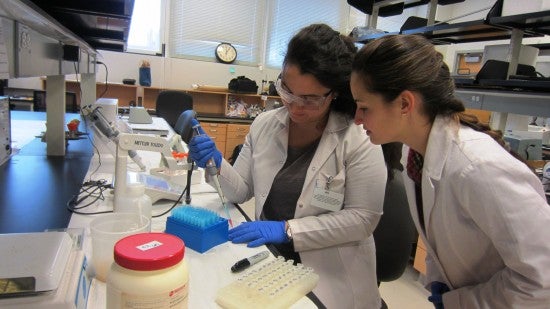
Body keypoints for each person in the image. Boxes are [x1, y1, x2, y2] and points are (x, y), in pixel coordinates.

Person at [189, 24, 387, 309]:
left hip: (330, 277)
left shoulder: (358, 138)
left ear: (334, 94)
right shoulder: (265, 125)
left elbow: (363, 219)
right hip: (268, 261)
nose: (294, 107)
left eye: (310, 99)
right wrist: (216, 163)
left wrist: (288, 230)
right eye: (288, 91)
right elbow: (240, 190)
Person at [351, 34, 550, 308]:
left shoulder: (479, 167)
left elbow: (543, 280)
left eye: (363, 107)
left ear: (405, 104)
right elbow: (441, 239)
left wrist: (462, 302)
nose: (357, 119)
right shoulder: (416, 154)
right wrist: (440, 284)